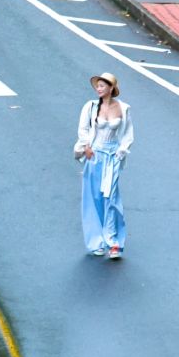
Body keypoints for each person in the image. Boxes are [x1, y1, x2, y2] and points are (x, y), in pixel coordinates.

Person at [74, 72, 133, 259]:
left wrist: (122, 150)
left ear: (110, 88)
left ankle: (114, 243)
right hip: (95, 155)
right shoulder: (90, 107)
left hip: (112, 157)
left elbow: (128, 133)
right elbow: (83, 128)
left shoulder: (123, 108)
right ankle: (97, 242)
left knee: (111, 199)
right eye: (97, 86)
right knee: (94, 198)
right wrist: (87, 146)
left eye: (102, 86)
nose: (98, 89)